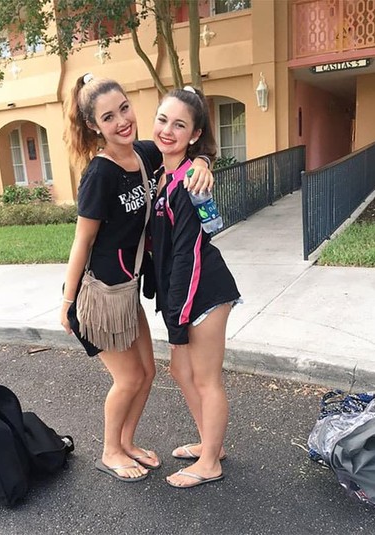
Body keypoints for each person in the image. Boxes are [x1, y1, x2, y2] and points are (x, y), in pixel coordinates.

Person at [60, 74, 214, 482]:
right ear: (94, 125)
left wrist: (203, 163)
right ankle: (110, 450)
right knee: (128, 378)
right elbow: (82, 240)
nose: (122, 121)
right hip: (101, 294)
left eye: (124, 109)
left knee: (147, 373)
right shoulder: (100, 174)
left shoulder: (144, 154)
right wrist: (67, 301)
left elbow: (185, 148)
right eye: (108, 117)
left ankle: (126, 443)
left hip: (127, 291)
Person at [150, 86, 241, 488]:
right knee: (180, 369)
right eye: (162, 120)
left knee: (206, 378)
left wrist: (177, 319)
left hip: (203, 292)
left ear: (194, 133)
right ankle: (210, 445)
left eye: (179, 125)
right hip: (183, 290)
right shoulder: (161, 171)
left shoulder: (189, 183)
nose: (167, 131)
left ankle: (210, 463)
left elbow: (189, 256)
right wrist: (203, 159)